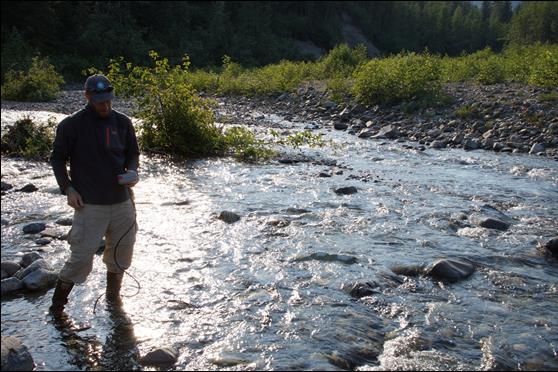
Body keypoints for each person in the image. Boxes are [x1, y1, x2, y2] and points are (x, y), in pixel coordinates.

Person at [49, 74, 140, 317]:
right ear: (87, 96)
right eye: (100, 100)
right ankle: (57, 309)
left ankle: (113, 300)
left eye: (108, 100)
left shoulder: (123, 122)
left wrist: (132, 171)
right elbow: (57, 159)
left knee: (122, 254)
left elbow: (133, 153)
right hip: (89, 204)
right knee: (80, 259)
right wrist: (68, 188)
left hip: (122, 202)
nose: (105, 105)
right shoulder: (71, 125)